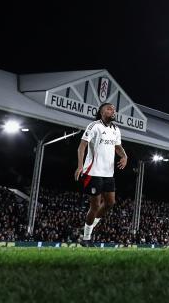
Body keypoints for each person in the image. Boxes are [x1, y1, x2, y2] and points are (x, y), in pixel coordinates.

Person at [74, 102, 128, 246]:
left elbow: (118, 147)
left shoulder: (116, 129)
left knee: (110, 203)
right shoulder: (94, 126)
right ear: (102, 112)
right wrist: (80, 166)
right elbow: (82, 146)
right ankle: (86, 238)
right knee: (95, 206)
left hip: (108, 173)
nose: (113, 111)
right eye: (110, 109)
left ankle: (88, 228)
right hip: (93, 172)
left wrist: (124, 156)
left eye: (114, 109)